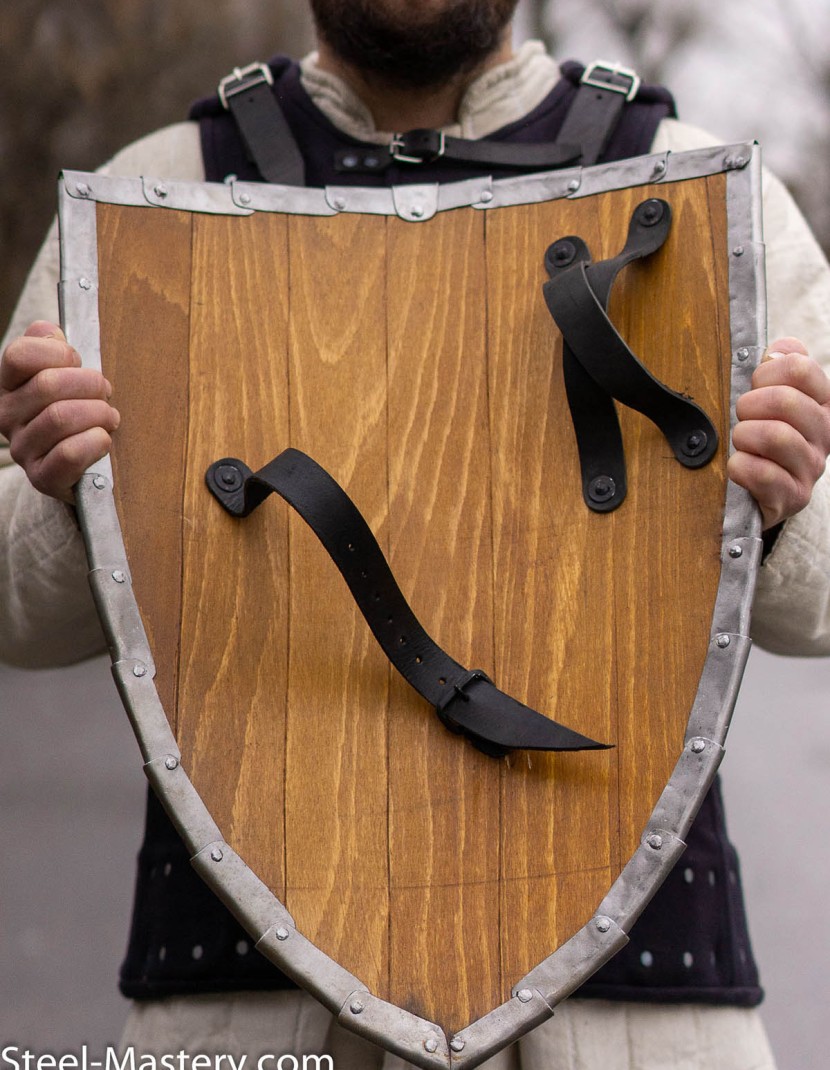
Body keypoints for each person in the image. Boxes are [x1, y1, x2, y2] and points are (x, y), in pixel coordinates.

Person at [2, 2, 830, 1067]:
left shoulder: (694, 186)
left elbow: (815, 599)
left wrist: (783, 494)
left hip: (635, 1012)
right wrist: (68, 488)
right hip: (244, 999)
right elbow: (23, 619)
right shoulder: (161, 188)